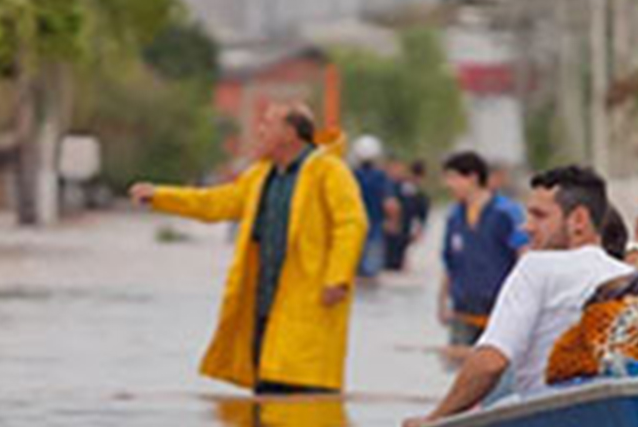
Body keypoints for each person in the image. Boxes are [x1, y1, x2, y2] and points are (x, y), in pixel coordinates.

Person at [130, 103, 368, 394]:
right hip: (264, 303)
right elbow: (216, 203)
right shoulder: (261, 176)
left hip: (310, 300)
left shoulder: (329, 171)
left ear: (290, 133)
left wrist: (338, 278)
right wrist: (160, 196)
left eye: (269, 123)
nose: (260, 130)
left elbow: (351, 223)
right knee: (267, 393)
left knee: (303, 399)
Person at [400, 166, 633, 427]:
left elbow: (491, 362)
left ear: (579, 220)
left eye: (539, 215)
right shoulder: (630, 276)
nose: (526, 227)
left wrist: (432, 420)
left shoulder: (536, 267)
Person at [437, 151, 527, 347]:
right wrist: (442, 303)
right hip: (463, 311)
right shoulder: (454, 217)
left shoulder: (506, 213)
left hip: (499, 313)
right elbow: (449, 263)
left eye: (453, 178)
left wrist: (521, 302)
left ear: (472, 178)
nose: (448, 185)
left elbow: (524, 256)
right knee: (460, 371)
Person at [352, 136, 393, 280]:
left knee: (354, 273)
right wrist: (392, 222)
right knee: (371, 273)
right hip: (375, 227)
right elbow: (390, 204)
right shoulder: (380, 177)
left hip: (353, 228)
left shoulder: (351, 175)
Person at [383, 159, 431, 272]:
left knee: (394, 257)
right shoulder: (417, 192)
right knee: (396, 258)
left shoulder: (399, 185)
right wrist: (420, 230)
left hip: (399, 226)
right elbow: (421, 214)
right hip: (402, 225)